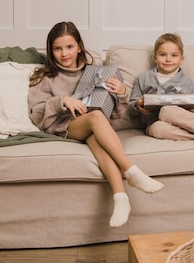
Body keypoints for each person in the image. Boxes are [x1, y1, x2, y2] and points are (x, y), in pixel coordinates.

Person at [28, 21, 163, 228]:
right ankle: (131, 170)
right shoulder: (46, 76)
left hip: (91, 127)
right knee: (96, 118)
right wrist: (63, 100)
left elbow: (115, 116)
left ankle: (120, 198)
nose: (64, 53)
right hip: (62, 127)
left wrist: (121, 93)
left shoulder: (97, 73)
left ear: (80, 46)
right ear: (50, 50)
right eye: (58, 48)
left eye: (69, 47)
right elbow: (35, 113)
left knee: (96, 131)